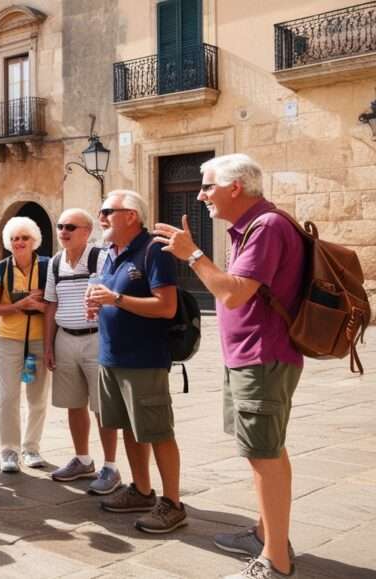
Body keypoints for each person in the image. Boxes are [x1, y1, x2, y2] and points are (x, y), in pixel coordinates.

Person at [152, 154, 303, 579]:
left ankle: (275, 562)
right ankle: (266, 535)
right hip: (252, 356)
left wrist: (192, 254)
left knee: (264, 455)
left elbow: (233, 294)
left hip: (262, 356)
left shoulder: (267, 227)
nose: (201, 196)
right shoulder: (251, 227)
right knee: (267, 450)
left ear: (235, 187)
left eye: (207, 187)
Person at [86, 190, 185, 535]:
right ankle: (142, 490)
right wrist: (102, 305)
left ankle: (173, 503)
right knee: (129, 427)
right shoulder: (112, 253)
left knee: (157, 431)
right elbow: (117, 299)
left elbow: (166, 306)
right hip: (112, 356)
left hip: (144, 359)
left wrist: (116, 298)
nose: (100, 217)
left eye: (106, 211)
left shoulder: (154, 250)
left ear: (130, 215)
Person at [44, 209, 121, 494]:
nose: (63, 231)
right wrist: (48, 346)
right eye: (60, 226)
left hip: (96, 339)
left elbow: (115, 293)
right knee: (74, 404)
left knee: (103, 407)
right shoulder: (54, 263)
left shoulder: (100, 258)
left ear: (87, 232)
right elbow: (50, 305)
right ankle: (82, 458)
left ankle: (110, 466)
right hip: (65, 339)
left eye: (70, 227)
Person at [0, 217, 50, 473]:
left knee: (37, 397)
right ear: (8, 243)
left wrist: (40, 306)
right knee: (8, 397)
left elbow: (55, 306)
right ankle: (9, 451)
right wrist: (19, 305)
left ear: (34, 241)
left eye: (24, 238)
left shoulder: (47, 267)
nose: (20, 242)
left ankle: (31, 447)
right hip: (9, 340)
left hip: (37, 341)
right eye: (14, 238)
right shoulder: (1, 269)